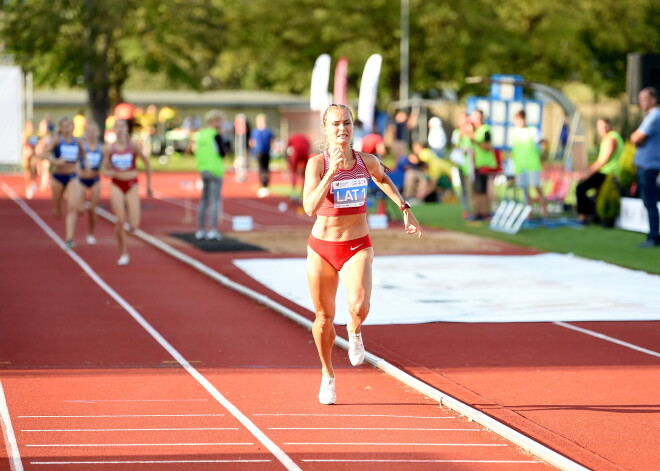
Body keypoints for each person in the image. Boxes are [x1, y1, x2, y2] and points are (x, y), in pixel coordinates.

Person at [303, 103, 422, 405]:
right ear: (326, 129)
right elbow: (309, 207)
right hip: (323, 248)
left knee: (359, 305)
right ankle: (327, 375)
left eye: (347, 123)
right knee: (323, 317)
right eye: (335, 124)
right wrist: (331, 174)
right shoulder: (317, 164)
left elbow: (382, 178)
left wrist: (404, 208)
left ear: (353, 126)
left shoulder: (365, 161)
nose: (342, 128)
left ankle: (354, 331)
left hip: (357, 244)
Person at [102, 118, 153, 265]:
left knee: (134, 225)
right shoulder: (109, 148)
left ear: (126, 129)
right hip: (117, 184)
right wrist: (108, 172)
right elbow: (105, 168)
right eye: (117, 127)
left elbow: (147, 163)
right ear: (114, 130)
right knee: (120, 219)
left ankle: (129, 229)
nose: (119, 129)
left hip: (132, 184)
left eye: (122, 126)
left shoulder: (134, 146)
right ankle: (123, 252)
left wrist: (149, 186)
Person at [38, 117, 86, 249]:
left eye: (68, 126)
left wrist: (84, 165)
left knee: (72, 207)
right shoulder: (56, 140)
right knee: (58, 211)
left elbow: (84, 156)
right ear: (60, 128)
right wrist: (55, 161)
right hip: (58, 177)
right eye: (63, 126)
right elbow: (42, 155)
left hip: (72, 177)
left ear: (72, 127)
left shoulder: (78, 141)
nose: (66, 129)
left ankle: (69, 239)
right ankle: (57, 207)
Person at [576, 118, 624, 224]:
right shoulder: (610, 138)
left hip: (608, 173)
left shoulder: (611, 138)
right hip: (607, 172)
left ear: (609, 125)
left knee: (580, 187)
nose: (602, 129)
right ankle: (595, 214)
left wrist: (587, 173)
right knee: (595, 193)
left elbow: (603, 161)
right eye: (600, 126)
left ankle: (583, 216)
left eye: (604, 126)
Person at [631, 87, 660, 248]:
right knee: (649, 200)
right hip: (648, 164)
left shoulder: (654, 116)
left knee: (650, 201)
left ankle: (654, 236)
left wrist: (634, 137)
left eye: (643, 99)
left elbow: (636, 138)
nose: (640, 102)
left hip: (648, 165)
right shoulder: (652, 116)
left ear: (652, 100)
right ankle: (653, 234)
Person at [194, 109, 228, 241]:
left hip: (203, 169)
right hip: (215, 169)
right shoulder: (215, 135)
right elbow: (222, 152)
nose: (221, 124)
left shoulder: (201, 135)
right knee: (214, 200)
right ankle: (213, 229)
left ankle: (201, 229)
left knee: (204, 200)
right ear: (214, 121)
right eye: (220, 121)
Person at [510, 110, 548, 218]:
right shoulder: (514, 132)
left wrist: (543, 156)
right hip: (520, 166)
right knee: (525, 191)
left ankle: (545, 211)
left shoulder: (533, 131)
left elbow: (544, 142)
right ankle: (529, 213)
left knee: (536, 187)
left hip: (532, 165)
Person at [469, 109, 498, 220]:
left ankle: (486, 212)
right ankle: (479, 212)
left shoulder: (486, 130)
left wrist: (475, 140)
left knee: (485, 191)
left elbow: (487, 147)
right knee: (478, 190)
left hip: (486, 165)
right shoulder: (476, 131)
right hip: (478, 165)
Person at [78, 121, 104, 245]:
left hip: (95, 180)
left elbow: (107, 162)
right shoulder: (82, 146)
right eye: (89, 132)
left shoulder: (101, 147)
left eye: (94, 132)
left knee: (93, 209)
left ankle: (91, 234)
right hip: (82, 180)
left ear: (98, 133)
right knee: (80, 209)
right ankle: (82, 205)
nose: (92, 134)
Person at [249, 113, 275, 197]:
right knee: (265, 168)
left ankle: (263, 185)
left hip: (259, 152)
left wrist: (253, 149)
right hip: (266, 152)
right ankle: (265, 185)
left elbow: (251, 143)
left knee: (261, 169)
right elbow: (272, 142)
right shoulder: (268, 131)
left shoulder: (255, 131)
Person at [287, 133, 311, 201]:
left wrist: (289, 161)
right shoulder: (305, 139)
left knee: (293, 173)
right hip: (305, 153)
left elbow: (288, 148)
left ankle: (293, 193)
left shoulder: (292, 138)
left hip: (296, 153)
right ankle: (304, 193)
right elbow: (309, 147)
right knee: (305, 174)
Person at [22, 120, 40, 199]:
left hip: (34, 154)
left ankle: (32, 184)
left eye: (31, 126)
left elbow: (38, 143)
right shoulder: (25, 134)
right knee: (27, 171)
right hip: (27, 154)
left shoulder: (35, 134)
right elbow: (24, 143)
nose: (30, 127)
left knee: (34, 170)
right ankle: (28, 187)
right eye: (29, 126)